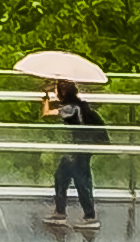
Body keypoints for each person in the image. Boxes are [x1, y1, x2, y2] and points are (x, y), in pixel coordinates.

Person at [42, 79, 107, 229]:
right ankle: (61, 212)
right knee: (63, 176)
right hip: (80, 147)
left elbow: (46, 114)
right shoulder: (80, 105)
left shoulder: (70, 108)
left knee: (81, 180)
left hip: (79, 149)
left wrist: (45, 99)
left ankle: (88, 216)